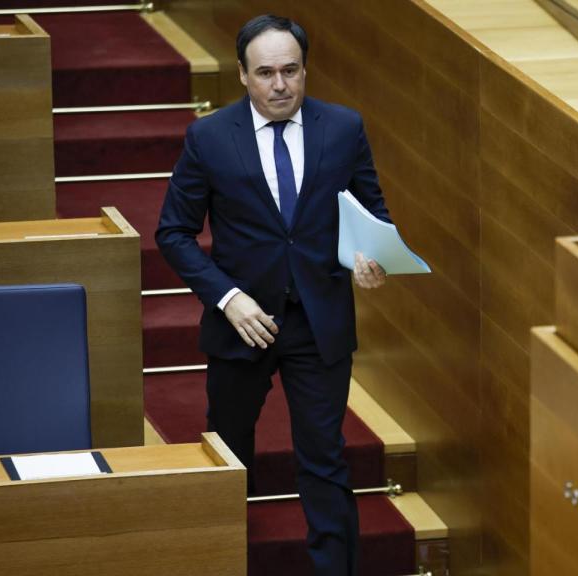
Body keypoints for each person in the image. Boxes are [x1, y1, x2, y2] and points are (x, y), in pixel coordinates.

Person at [156, 14, 389, 575]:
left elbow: (372, 214)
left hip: (319, 322)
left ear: (305, 69)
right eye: (265, 73)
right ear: (242, 74)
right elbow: (173, 232)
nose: (280, 85)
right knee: (229, 453)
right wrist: (227, 297)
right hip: (242, 322)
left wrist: (373, 255)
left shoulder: (343, 127)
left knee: (325, 459)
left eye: (291, 70)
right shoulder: (210, 137)